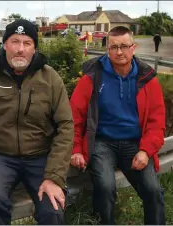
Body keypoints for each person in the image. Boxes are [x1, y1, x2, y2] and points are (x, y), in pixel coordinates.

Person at [0, 19, 74, 225]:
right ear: (4, 44)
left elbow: (66, 126)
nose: (20, 49)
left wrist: (54, 177)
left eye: (27, 43)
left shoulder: (50, 78)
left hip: (40, 157)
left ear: (34, 47)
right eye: (14, 42)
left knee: (52, 209)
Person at [70, 25, 166, 225]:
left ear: (133, 47)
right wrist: (77, 149)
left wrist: (145, 151)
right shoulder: (92, 77)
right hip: (102, 143)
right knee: (105, 187)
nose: (119, 52)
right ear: (107, 49)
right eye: (114, 47)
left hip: (135, 144)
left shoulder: (148, 79)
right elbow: (74, 118)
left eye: (124, 46)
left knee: (153, 191)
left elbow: (156, 123)